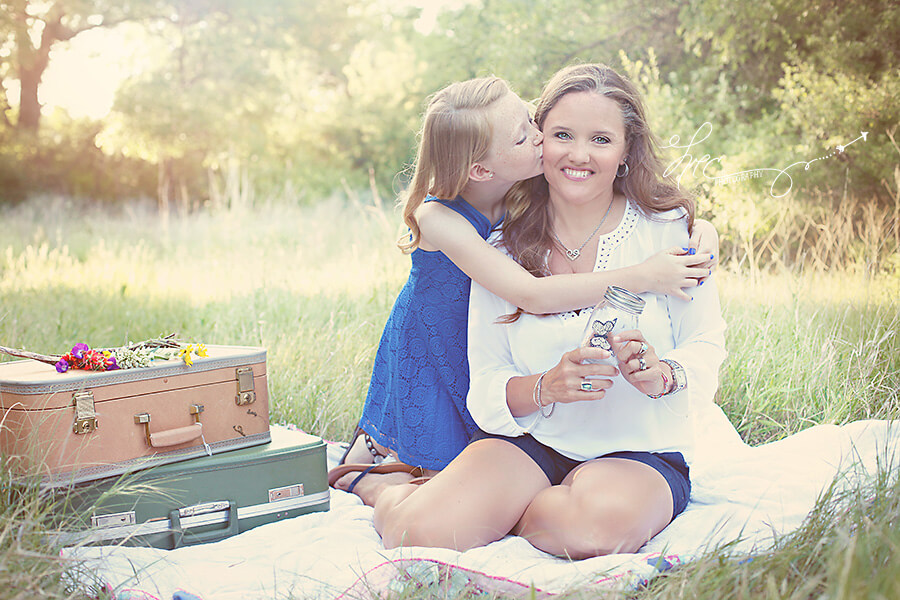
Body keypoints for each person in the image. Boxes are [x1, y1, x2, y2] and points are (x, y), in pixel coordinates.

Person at [372, 63, 727, 559]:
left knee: (592, 533)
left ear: (627, 150)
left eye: (601, 139)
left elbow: (707, 344)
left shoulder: (671, 234)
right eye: (562, 135)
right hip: (533, 444)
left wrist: (661, 374)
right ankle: (384, 487)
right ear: (540, 139)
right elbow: (487, 383)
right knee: (414, 533)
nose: (578, 155)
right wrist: (547, 386)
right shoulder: (501, 246)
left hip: (637, 449)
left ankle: (506, 512)